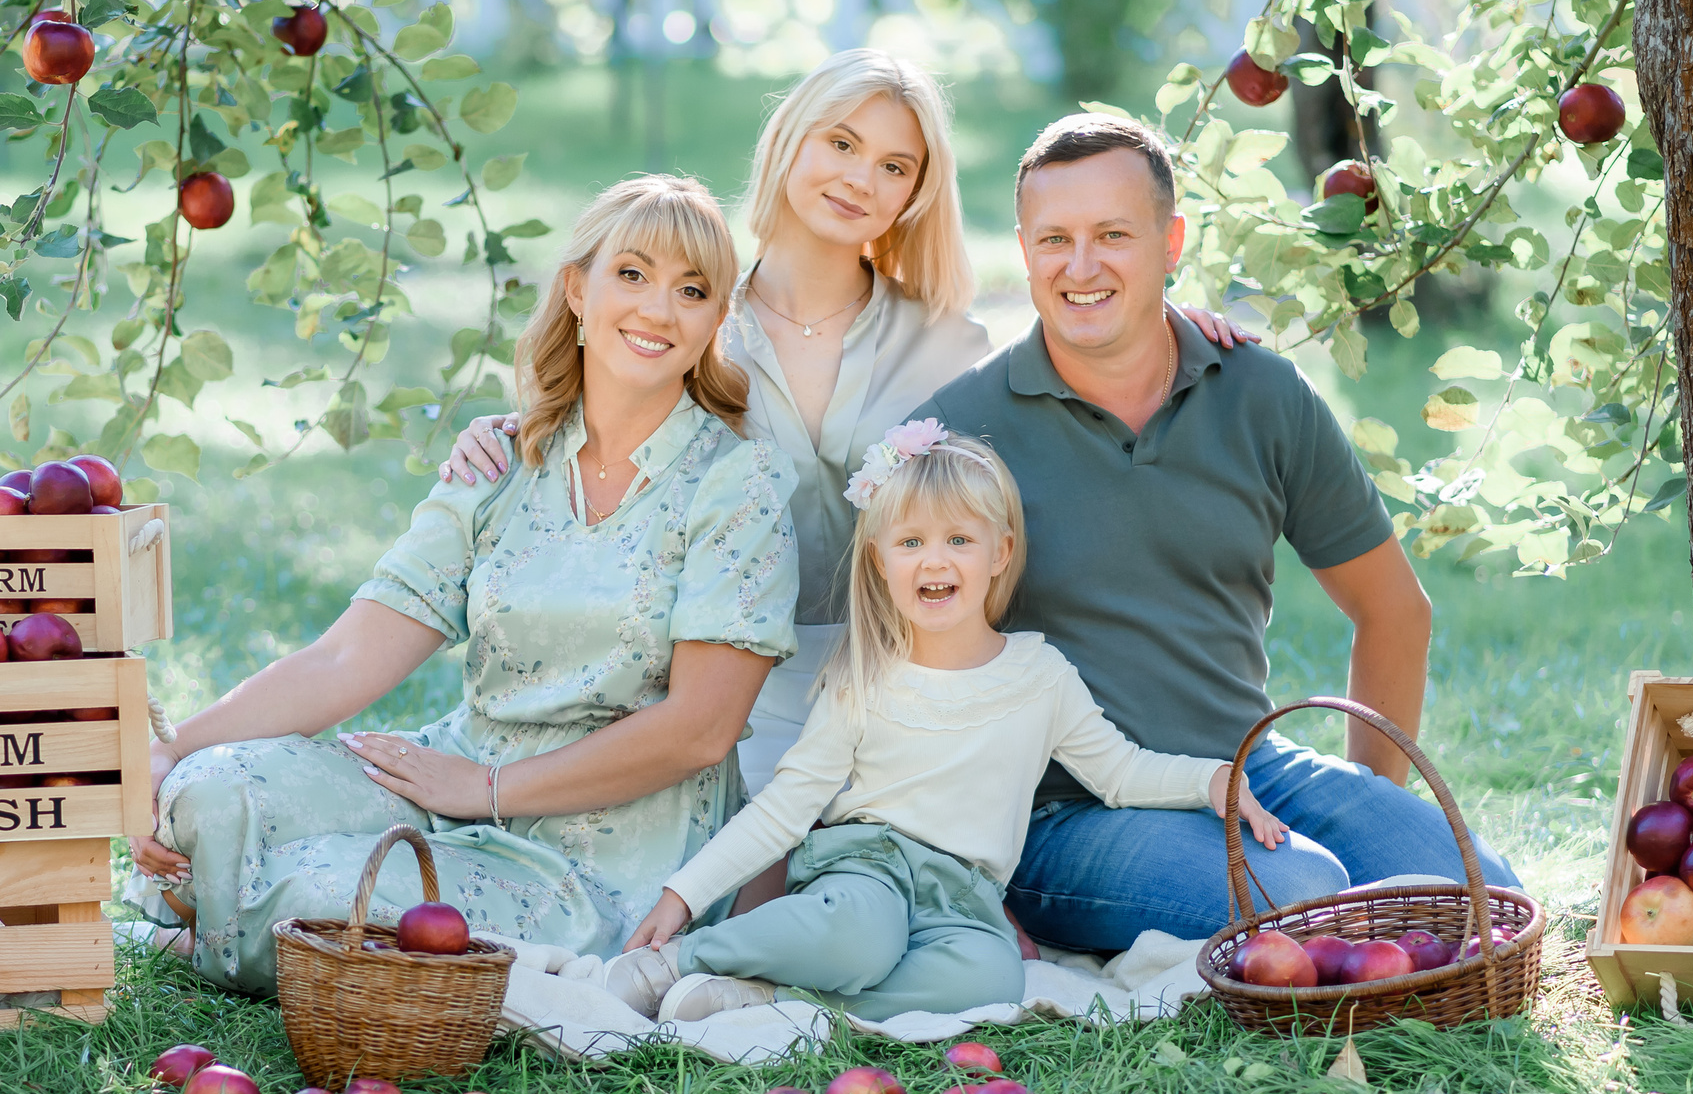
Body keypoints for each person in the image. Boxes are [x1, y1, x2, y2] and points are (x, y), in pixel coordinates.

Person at [438, 50, 1252, 805]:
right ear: (792, 139)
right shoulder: (690, 324)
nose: (861, 178)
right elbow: (608, 417)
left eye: (894, 166)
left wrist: (1163, 323)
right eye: (842, 142)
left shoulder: (948, 344)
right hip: (714, 689)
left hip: (905, 696)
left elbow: (1068, 379)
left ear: (914, 194)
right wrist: (517, 429)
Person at [130, 175, 801, 993]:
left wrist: (489, 791)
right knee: (210, 794)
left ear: (715, 322)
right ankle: (242, 916)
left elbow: (700, 729)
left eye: (692, 290)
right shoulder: (500, 462)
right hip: (455, 773)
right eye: (632, 273)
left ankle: (217, 923)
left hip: (609, 853)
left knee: (322, 891)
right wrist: (171, 749)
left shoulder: (737, 484)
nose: (659, 309)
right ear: (577, 291)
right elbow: (346, 660)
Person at [908, 114, 1521, 950]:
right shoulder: (957, 431)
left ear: (1172, 242)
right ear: (1023, 249)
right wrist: (960, 874)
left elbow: (1394, 612)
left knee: (1484, 899)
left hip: (1245, 768)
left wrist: (1367, 807)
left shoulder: (1262, 394)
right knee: (1309, 896)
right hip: (1061, 813)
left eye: (1113, 235)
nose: (1080, 267)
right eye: (1054, 238)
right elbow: (891, 666)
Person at [596, 425, 1288, 1023]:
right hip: (867, 870)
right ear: (881, 559)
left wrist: (1212, 778)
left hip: (963, 894)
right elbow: (787, 806)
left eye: (960, 538)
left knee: (989, 979)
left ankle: (774, 1000)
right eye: (912, 540)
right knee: (858, 937)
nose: (935, 558)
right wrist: (682, 897)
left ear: (1000, 553)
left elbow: (1119, 771)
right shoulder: (864, 678)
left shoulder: (1040, 675)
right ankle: (683, 963)